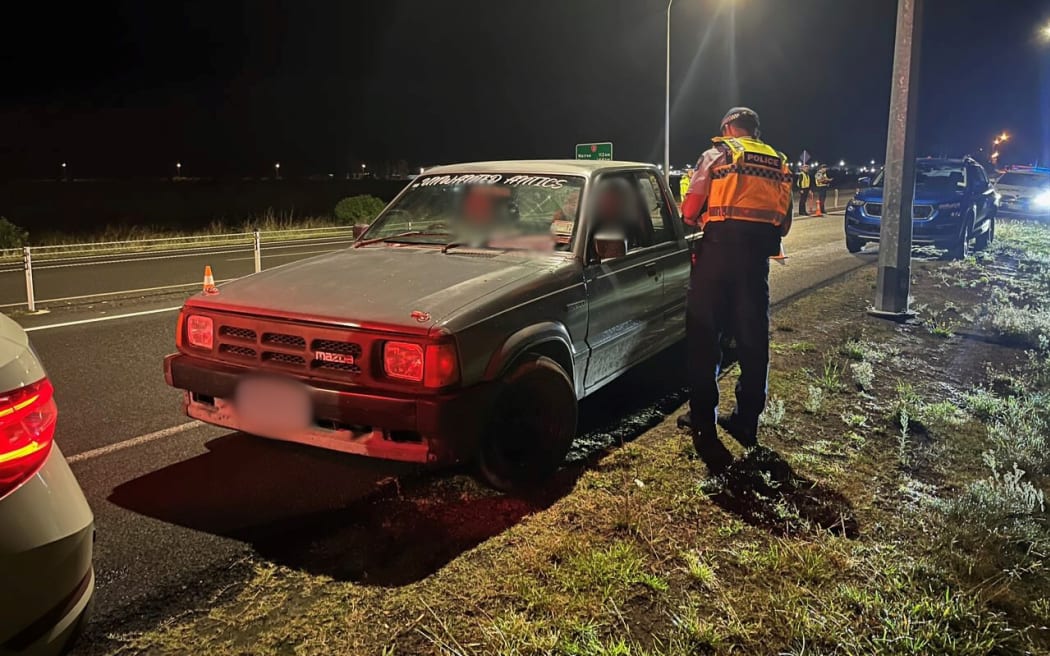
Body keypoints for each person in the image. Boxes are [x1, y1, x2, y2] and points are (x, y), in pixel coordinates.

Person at [677, 107, 793, 469]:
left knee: (704, 337)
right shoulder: (780, 163)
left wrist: (699, 216)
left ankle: (703, 421)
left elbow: (689, 208)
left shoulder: (718, 154)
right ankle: (746, 421)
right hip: (755, 260)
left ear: (727, 128)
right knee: (753, 340)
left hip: (717, 255)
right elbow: (785, 223)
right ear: (755, 132)